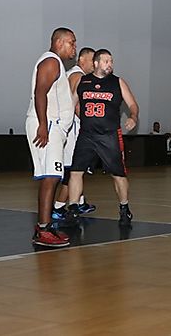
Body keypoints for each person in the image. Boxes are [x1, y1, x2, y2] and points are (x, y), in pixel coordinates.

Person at [66, 49, 139, 227]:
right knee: (75, 171)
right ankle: (73, 208)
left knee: (118, 174)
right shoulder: (84, 81)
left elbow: (132, 104)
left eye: (111, 61)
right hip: (87, 135)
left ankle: (124, 207)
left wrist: (133, 117)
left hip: (109, 135)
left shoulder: (117, 82)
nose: (110, 65)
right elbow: (71, 104)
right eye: (106, 61)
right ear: (96, 63)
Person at [25, 27, 77, 247]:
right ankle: (43, 230)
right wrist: (44, 126)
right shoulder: (51, 61)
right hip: (47, 125)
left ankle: (44, 226)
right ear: (59, 42)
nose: (74, 47)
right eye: (71, 43)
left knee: (53, 176)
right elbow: (40, 92)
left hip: (53, 126)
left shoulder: (55, 63)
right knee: (51, 176)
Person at [53, 47, 96, 220]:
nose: (94, 64)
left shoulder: (73, 74)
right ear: (82, 60)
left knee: (78, 168)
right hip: (73, 129)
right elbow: (74, 104)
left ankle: (80, 201)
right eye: (92, 60)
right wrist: (89, 122)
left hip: (71, 127)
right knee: (73, 171)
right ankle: (59, 207)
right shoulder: (78, 76)